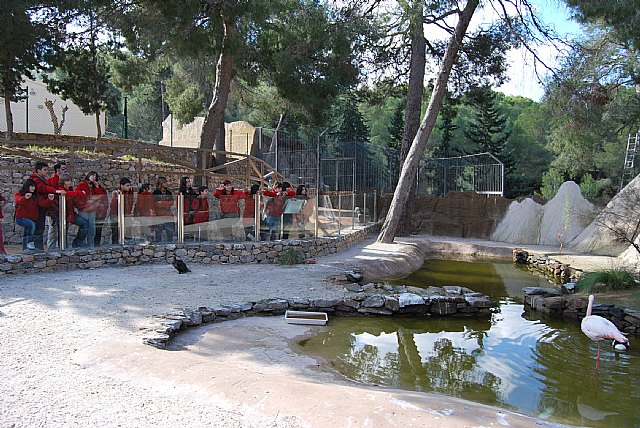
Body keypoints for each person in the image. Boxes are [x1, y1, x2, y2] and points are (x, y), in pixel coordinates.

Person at [29, 161, 65, 251]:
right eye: (44, 170)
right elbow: (43, 188)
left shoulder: (41, 179)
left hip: (42, 206)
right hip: (38, 207)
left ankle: (40, 249)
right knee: (39, 229)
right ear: (38, 170)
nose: (46, 172)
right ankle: (39, 249)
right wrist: (55, 191)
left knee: (40, 229)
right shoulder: (36, 180)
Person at [14, 179, 54, 252]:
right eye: (31, 186)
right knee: (31, 225)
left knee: (27, 232)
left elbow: (43, 203)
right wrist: (25, 198)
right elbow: (18, 200)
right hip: (21, 218)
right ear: (27, 186)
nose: (33, 188)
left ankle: (25, 249)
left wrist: (50, 200)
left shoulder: (35, 196)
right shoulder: (19, 194)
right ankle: (30, 243)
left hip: (32, 218)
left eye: (34, 186)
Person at [75, 171, 106, 248]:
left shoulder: (95, 186)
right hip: (84, 210)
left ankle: (91, 246)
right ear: (88, 175)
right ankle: (82, 245)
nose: (94, 177)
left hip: (93, 210)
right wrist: (82, 206)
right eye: (92, 175)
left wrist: (97, 187)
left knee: (92, 229)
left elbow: (100, 196)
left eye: (95, 176)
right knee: (84, 228)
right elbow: (77, 197)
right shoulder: (81, 185)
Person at [57, 174, 89, 248]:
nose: (69, 182)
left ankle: (77, 242)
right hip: (62, 214)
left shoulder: (70, 189)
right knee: (63, 232)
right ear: (63, 182)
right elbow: (66, 194)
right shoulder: (60, 189)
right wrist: (80, 193)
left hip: (70, 213)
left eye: (70, 180)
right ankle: (63, 248)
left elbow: (73, 200)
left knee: (85, 224)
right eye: (67, 180)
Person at [45, 162, 67, 250]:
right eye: (63, 169)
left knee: (63, 229)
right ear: (57, 170)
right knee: (52, 230)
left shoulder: (65, 181)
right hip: (52, 209)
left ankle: (62, 248)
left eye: (65, 169)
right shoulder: (50, 181)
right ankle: (51, 249)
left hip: (63, 208)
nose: (65, 171)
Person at [109, 178, 135, 245]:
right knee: (115, 231)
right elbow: (113, 205)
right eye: (127, 185)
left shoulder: (129, 192)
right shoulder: (116, 193)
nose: (129, 187)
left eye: (129, 185)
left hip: (126, 214)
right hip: (115, 214)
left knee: (128, 230)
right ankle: (115, 246)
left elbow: (130, 202)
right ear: (122, 185)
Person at [152, 176, 174, 242]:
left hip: (168, 214)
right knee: (158, 232)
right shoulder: (156, 192)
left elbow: (171, 203)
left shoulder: (168, 192)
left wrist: (162, 203)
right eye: (164, 182)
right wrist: (165, 203)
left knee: (170, 231)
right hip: (159, 214)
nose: (166, 183)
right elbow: (156, 204)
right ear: (160, 183)